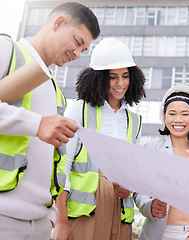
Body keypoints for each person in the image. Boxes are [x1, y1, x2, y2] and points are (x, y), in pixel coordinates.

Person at [0, 2, 99, 239]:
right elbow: (37, 127)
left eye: (83, 50)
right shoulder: (7, 50)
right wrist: (37, 124)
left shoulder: (55, 90)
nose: (77, 54)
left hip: (41, 223)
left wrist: (53, 215)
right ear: (58, 23)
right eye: (78, 42)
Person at [51, 38, 146, 240]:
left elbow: (136, 173)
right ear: (99, 78)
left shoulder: (134, 121)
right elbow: (62, 166)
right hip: (85, 214)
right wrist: (60, 221)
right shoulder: (79, 110)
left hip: (120, 213)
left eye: (125, 76)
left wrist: (130, 187)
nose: (121, 84)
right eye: (113, 77)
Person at [134, 85, 189, 240]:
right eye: (172, 114)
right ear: (164, 117)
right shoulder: (150, 150)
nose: (178, 120)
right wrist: (150, 206)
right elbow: (139, 192)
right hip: (160, 234)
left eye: (185, 114)